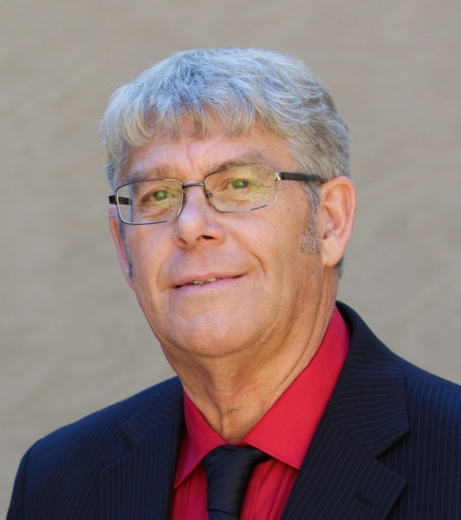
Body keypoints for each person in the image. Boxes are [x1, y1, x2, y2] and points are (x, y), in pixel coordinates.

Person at [7, 48, 461, 520]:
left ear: (328, 222)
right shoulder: (56, 480)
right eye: (158, 195)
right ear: (124, 249)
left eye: (239, 184)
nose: (190, 225)